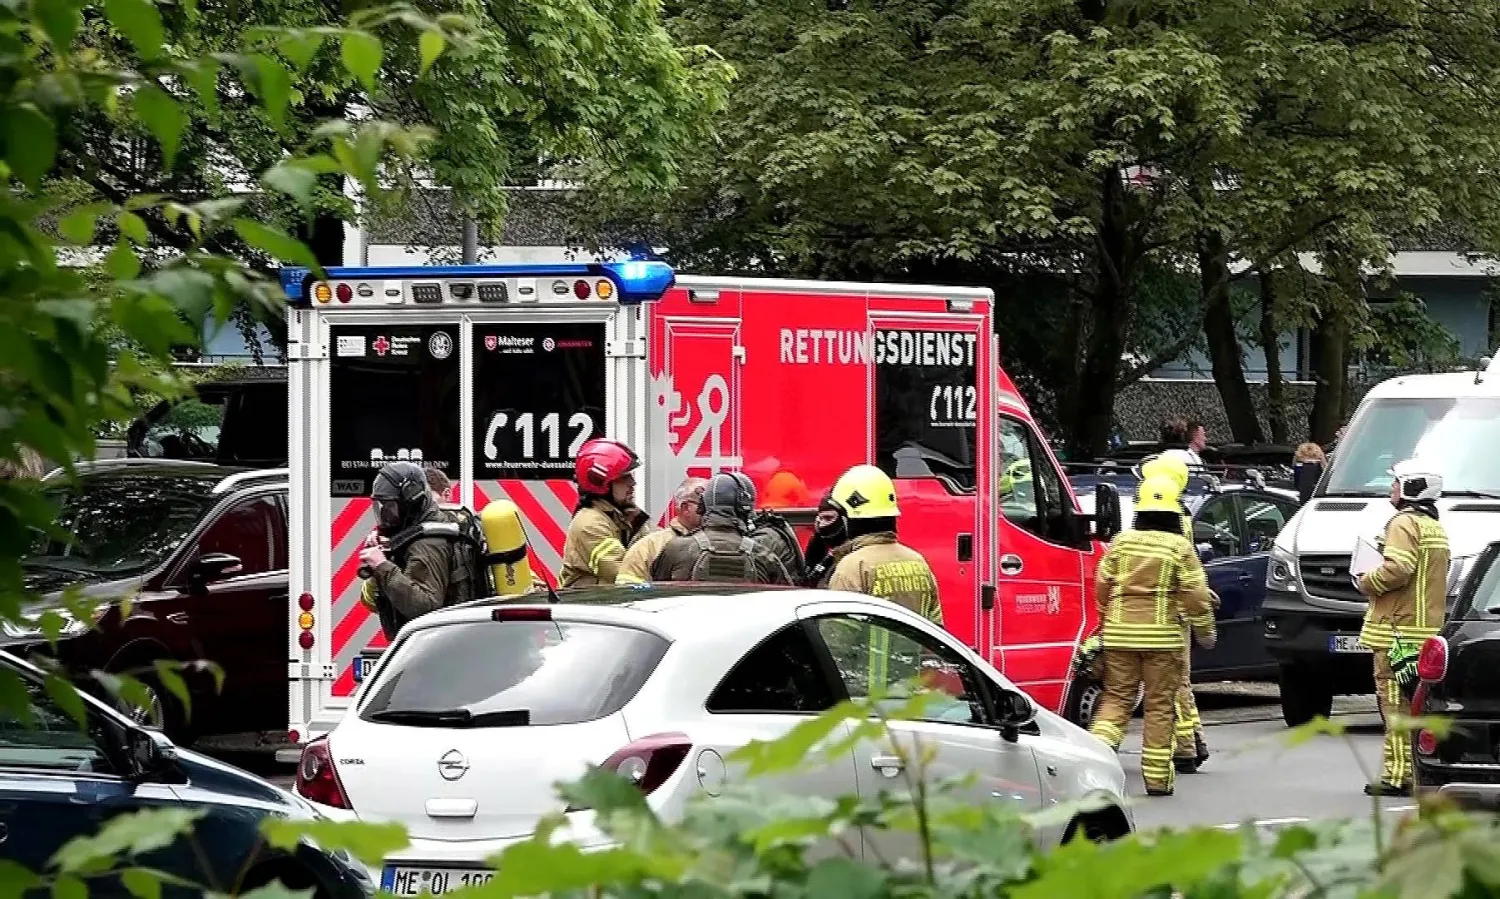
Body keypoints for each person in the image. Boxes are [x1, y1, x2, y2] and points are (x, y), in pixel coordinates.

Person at [1088, 475, 1216, 797]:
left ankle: (1094, 761)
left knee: (1116, 701)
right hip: (1163, 641)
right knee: (1159, 706)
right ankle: (1158, 781)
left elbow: (1102, 586)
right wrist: (1205, 633)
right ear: (1174, 511)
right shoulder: (1179, 547)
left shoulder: (1121, 542)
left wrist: (1108, 619)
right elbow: (1196, 596)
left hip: (1119, 637)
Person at [1355, 458, 1450, 797]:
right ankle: (1420, 767)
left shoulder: (1404, 522)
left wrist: (1366, 581)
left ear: (1411, 487)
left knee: (1393, 705)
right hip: (1425, 632)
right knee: (1418, 705)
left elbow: (1399, 568)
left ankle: (1398, 775)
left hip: (1395, 632)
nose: (1391, 488)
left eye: (1396, 482)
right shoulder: (1434, 527)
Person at [1141, 453, 1215, 774]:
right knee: (1180, 679)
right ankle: (1193, 739)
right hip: (1180, 607)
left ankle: (1185, 746)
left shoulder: (1166, 516)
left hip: (1167, 609)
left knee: (1173, 681)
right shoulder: (1180, 513)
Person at [358, 461, 477, 640]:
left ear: (411, 502)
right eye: (381, 507)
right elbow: (374, 602)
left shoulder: (428, 543)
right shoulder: (411, 535)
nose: (385, 516)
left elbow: (426, 607)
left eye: (390, 507)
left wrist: (382, 565)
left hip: (440, 648)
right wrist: (387, 556)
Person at [823, 464, 941, 624]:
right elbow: (936, 628)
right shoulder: (918, 563)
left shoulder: (851, 568)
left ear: (848, 518)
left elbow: (838, 637)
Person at [651, 472, 795, 584]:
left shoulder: (676, 549)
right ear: (745, 508)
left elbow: (658, 594)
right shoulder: (763, 555)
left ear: (703, 505)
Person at [560, 438, 650, 587]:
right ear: (600, 482)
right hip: (588, 605)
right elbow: (625, 573)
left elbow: (654, 549)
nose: (633, 483)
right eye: (624, 478)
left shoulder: (624, 515)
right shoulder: (590, 523)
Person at [616, 477, 707, 584]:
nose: (715, 510)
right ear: (686, 508)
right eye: (706, 505)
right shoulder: (649, 547)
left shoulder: (724, 543)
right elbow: (629, 592)